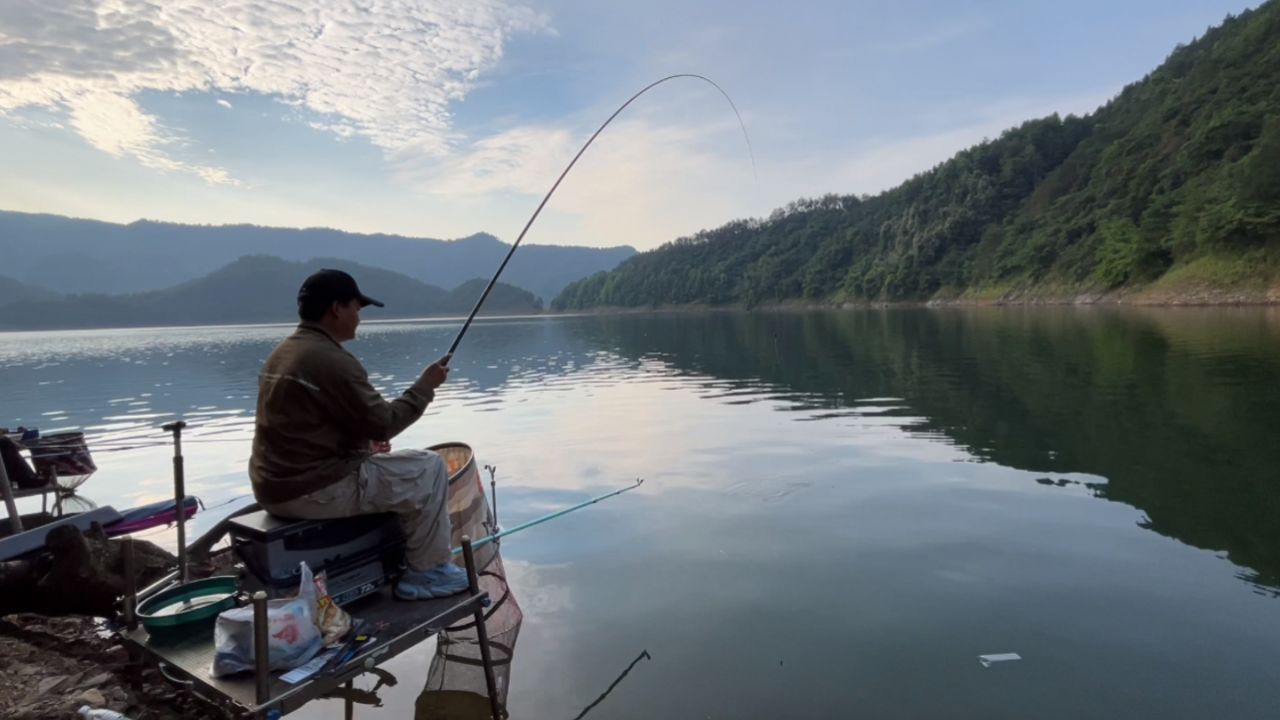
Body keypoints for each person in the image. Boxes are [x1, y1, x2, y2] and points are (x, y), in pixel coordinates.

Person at [249, 268, 467, 600]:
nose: (358, 317)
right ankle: (426, 574)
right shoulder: (331, 361)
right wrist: (424, 387)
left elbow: (307, 426)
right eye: (356, 308)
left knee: (395, 464)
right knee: (429, 468)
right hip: (308, 491)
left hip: (272, 486)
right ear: (337, 308)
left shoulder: (285, 353)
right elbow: (384, 423)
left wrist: (362, 446)